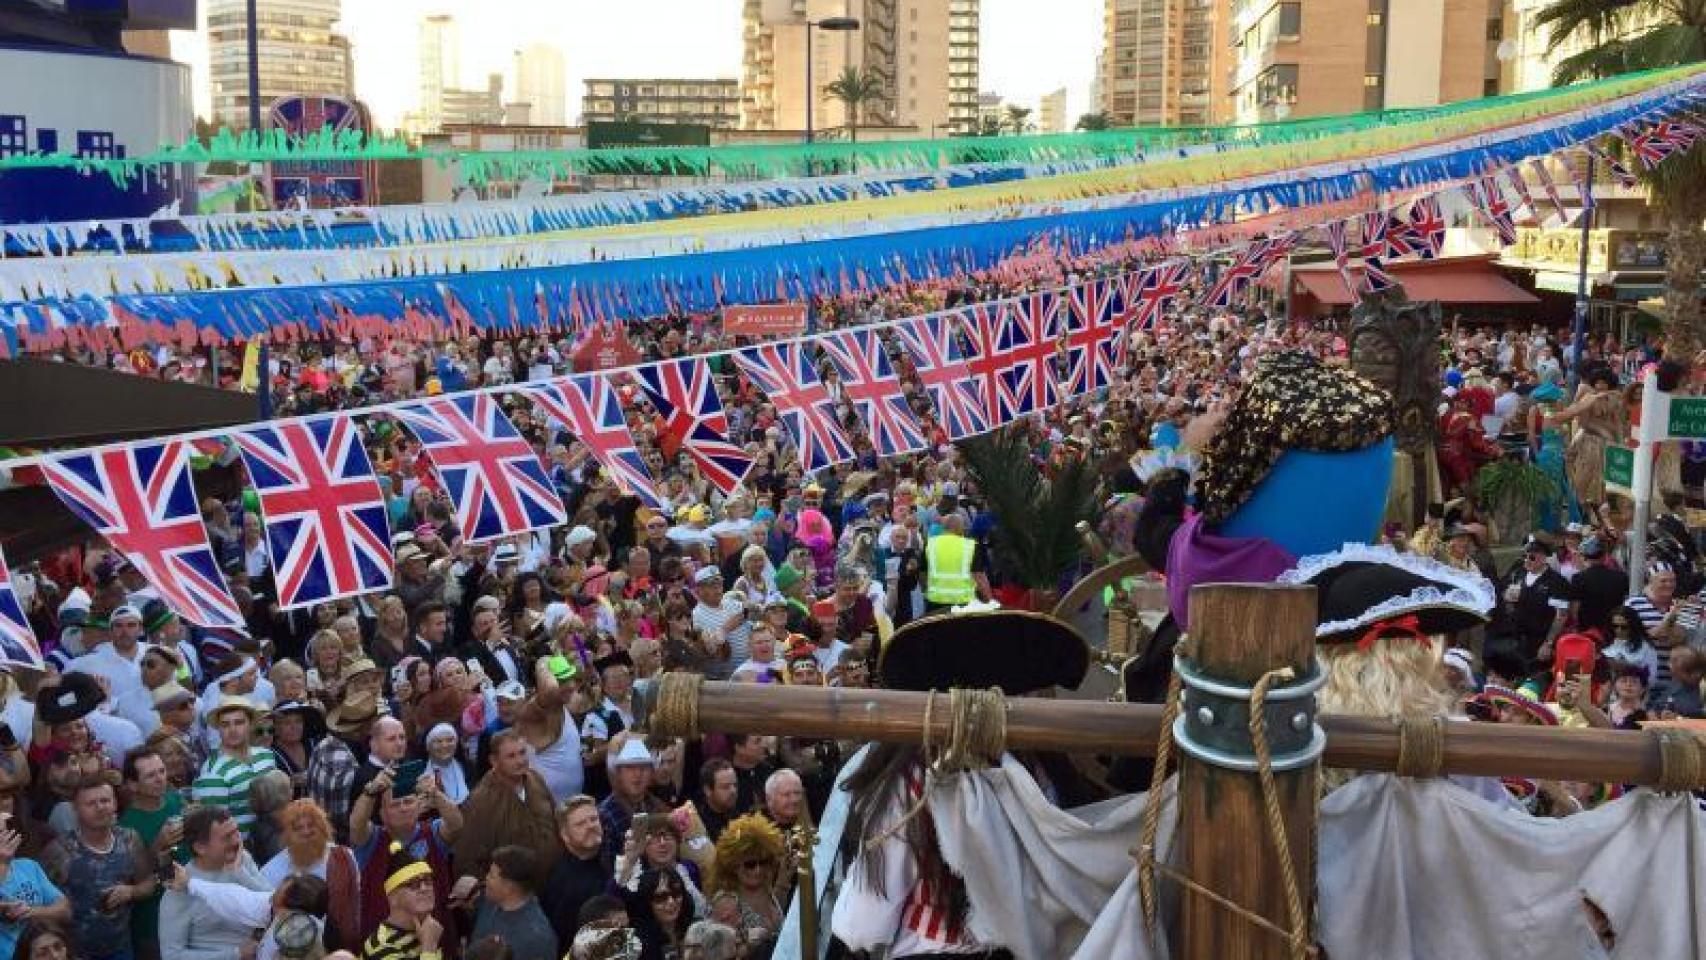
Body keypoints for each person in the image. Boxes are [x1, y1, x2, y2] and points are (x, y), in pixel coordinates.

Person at [40, 779, 156, 960]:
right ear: (75, 810)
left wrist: (131, 891)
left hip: (121, 948)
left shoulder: (129, 839)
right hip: (75, 953)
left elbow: (149, 881)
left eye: (105, 801)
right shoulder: (59, 851)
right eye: (91, 803)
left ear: (115, 803)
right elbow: (42, 907)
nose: (100, 807)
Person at [350, 764, 462, 946]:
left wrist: (435, 794)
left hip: (435, 938)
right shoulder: (372, 839)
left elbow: (456, 825)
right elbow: (356, 825)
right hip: (385, 944)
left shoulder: (432, 832)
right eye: (395, 804)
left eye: (408, 802)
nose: (403, 808)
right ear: (382, 814)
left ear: (419, 806)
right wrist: (370, 792)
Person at [160, 805, 271, 960]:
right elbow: (171, 955)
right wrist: (235, 955)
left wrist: (239, 873)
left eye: (236, 832)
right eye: (227, 837)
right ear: (200, 848)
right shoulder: (178, 887)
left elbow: (274, 903)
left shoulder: (242, 859)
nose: (236, 841)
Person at [453, 730, 560, 877]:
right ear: (494, 761)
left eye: (522, 753)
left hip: (553, 877)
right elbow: (469, 856)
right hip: (512, 888)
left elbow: (556, 820)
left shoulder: (536, 779)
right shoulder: (480, 801)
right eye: (511, 756)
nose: (520, 760)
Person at [259, 799, 361, 951]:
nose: (306, 832)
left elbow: (357, 900)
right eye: (298, 828)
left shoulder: (342, 858)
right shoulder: (271, 872)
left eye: (311, 825)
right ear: (286, 835)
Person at [117, 749, 184, 960]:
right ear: (133, 785)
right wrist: (157, 845)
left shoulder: (177, 801)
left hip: (189, 907)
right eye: (150, 775)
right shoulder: (126, 826)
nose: (160, 779)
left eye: (161, 771)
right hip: (154, 921)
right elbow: (134, 879)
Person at [192, 696, 278, 841]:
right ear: (218, 729)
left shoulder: (267, 756)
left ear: (250, 724)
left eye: (239, 723)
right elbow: (213, 828)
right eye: (225, 725)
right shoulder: (212, 772)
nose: (232, 730)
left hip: (275, 839)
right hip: (240, 848)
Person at [705, 814, 786, 954]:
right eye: (750, 864)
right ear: (733, 865)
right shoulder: (726, 902)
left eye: (764, 862)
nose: (758, 869)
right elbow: (718, 953)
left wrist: (785, 880)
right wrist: (748, 946)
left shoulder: (765, 886)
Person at [459, 846, 556, 960]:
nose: (486, 879)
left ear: (508, 887)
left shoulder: (537, 940)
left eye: (491, 875)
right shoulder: (490, 902)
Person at [540, 795, 611, 948]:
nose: (590, 826)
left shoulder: (612, 856)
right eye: (580, 824)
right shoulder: (563, 883)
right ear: (565, 836)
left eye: (593, 819)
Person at [0, 813, 72, 959]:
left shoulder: (28, 866)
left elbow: (65, 911)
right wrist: (2, 865)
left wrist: (29, 912)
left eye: (2, 832)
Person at [361, 846, 444, 960]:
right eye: (413, 884)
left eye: (428, 880)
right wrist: (429, 947)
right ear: (392, 897)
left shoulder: (428, 928)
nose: (424, 888)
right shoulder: (381, 945)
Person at [598, 738, 668, 865]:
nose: (637, 774)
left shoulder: (658, 806)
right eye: (630, 768)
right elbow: (607, 865)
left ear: (652, 773)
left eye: (643, 768)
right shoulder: (606, 814)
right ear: (619, 774)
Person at [922, 512, 988, 612]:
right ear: (961, 527)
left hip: (935, 601)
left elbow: (922, 573)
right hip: (964, 603)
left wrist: (927, 590)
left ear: (944, 527)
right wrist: (988, 599)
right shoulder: (971, 546)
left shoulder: (930, 544)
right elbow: (979, 577)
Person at [630, 869, 692, 960]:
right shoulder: (636, 944)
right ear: (646, 902)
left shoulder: (695, 930)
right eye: (661, 897)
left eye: (676, 893)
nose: (671, 901)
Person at [691, 759, 740, 843]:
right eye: (725, 787)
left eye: (735, 785)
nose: (733, 791)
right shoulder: (696, 822)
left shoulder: (738, 815)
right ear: (708, 790)